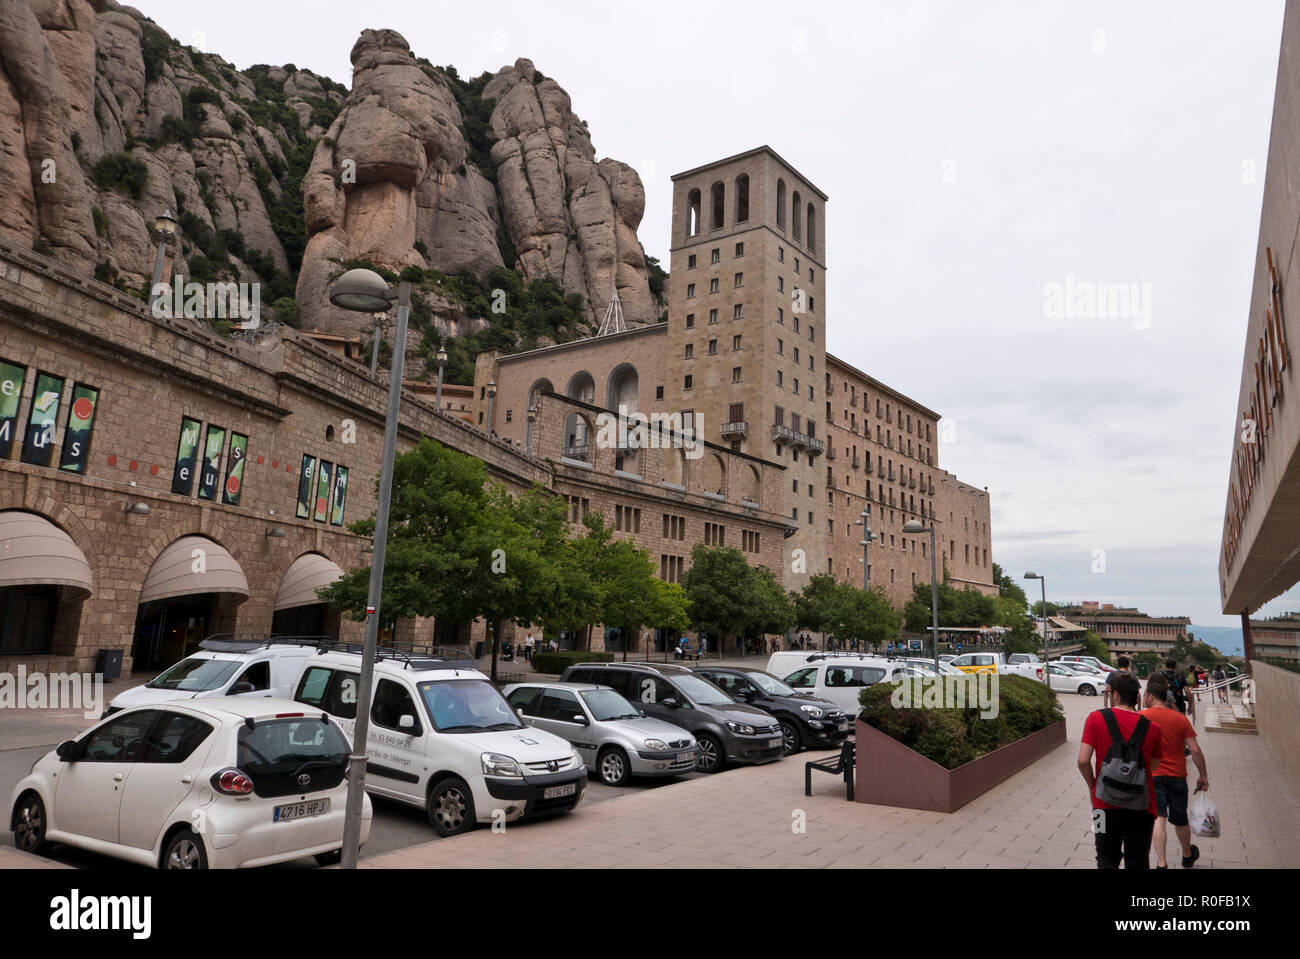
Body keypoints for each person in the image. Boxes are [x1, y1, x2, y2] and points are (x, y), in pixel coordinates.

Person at [1078, 672, 1163, 868]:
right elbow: (1154, 766)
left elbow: (1083, 760)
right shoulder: (1153, 728)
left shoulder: (1095, 718)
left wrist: (1094, 786)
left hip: (1101, 806)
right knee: (1138, 860)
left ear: (1115, 695)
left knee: (1104, 857)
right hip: (1143, 807)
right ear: (1137, 696)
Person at [1142, 673, 1208, 868]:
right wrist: (1203, 775)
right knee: (1180, 818)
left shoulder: (1142, 718)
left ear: (1151, 696)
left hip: (1153, 776)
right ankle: (1187, 855)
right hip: (1177, 776)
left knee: (1158, 818)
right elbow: (1194, 750)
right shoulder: (1180, 719)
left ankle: (1161, 863)